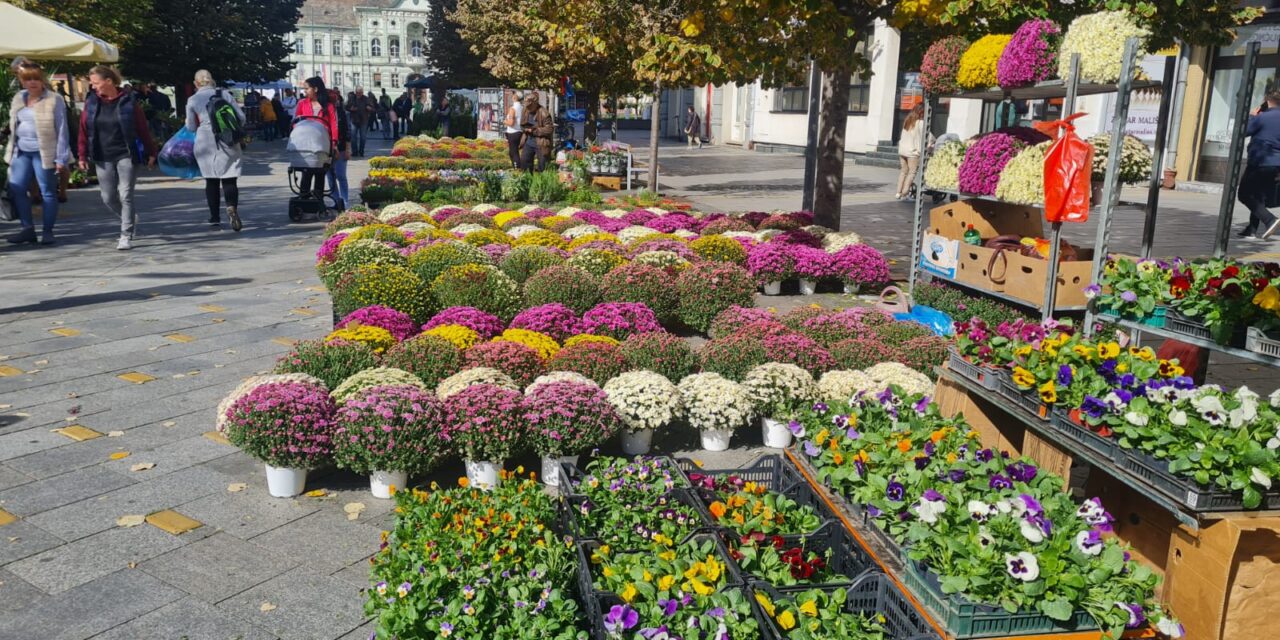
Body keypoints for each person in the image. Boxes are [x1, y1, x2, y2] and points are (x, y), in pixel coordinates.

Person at [78, 66, 157, 251]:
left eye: (96, 83)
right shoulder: (91, 102)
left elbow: (142, 129)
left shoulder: (128, 102)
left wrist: (152, 152)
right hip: (102, 155)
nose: (93, 86)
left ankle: (126, 234)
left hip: (125, 153)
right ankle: (128, 217)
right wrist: (81, 155)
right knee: (107, 197)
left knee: (126, 194)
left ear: (109, 81)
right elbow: (83, 130)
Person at [5, 60, 70, 245]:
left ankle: (47, 231)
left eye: (35, 79)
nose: (32, 82)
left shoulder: (53, 99)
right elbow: (14, 125)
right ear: (22, 81)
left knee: (48, 192)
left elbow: (62, 129)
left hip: (45, 152)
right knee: (17, 188)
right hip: (21, 151)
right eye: (27, 79)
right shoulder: (19, 97)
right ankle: (27, 229)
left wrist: (61, 157)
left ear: (42, 80)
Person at [185, 70, 247, 231]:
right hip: (228, 139)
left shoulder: (193, 99)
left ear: (196, 83)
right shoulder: (224, 94)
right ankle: (232, 207)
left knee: (211, 180)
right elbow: (241, 117)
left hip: (205, 141)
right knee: (230, 177)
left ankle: (214, 218)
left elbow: (191, 127)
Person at [1238, 90, 1280, 239]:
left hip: (1260, 161)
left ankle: (1270, 220)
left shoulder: (1263, 117)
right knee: (1258, 195)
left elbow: (1243, 131)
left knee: (1244, 194)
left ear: (1267, 101)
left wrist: (1251, 116)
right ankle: (1252, 229)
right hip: (1276, 164)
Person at [294, 76, 338, 201]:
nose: (305, 91)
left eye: (307, 89)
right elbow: (296, 120)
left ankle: (318, 200)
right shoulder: (302, 103)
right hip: (306, 143)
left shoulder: (328, 106)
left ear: (316, 89)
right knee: (306, 172)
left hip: (323, 143)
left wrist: (334, 143)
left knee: (320, 172)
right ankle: (304, 199)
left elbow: (334, 125)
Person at [896, 103, 932, 200]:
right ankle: (905, 193)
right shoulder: (921, 123)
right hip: (912, 152)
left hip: (902, 150)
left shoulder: (908, 120)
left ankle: (898, 192)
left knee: (903, 171)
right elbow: (929, 136)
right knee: (912, 173)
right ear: (922, 112)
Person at [327, 89, 352, 211]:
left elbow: (347, 131)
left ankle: (344, 201)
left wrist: (348, 149)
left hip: (341, 147)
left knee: (341, 175)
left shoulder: (341, 113)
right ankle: (336, 200)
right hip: (326, 149)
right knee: (330, 176)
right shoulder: (323, 112)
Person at [519, 93, 553, 172]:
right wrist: (525, 128)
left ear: (535, 103)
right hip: (528, 142)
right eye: (526, 105)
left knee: (542, 167)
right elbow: (522, 123)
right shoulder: (525, 110)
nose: (528, 108)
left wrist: (534, 131)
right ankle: (527, 182)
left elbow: (549, 129)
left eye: (530, 106)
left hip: (541, 143)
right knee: (525, 164)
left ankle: (542, 183)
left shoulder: (544, 113)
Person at [347, 87, 373, 156]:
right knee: (353, 137)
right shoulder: (352, 98)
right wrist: (351, 108)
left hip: (363, 120)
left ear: (362, 92)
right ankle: (354, 152)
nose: (358, 94)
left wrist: (369, 108)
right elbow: (346, 106)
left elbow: (372, 108)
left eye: (360, 92)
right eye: (357, 92)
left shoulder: (366, 99)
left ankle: (361, 151)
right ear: (355, 92)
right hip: (354, 120)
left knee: (363, 137)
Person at [504, 90, 524, 168]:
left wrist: (504, 121)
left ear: (515, 97)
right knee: (513, 151)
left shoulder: (512, 109)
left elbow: (511, 123)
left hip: (513, 132)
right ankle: (516, 168)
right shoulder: (522, 108)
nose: (512, 96)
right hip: (520, 131)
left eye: (513, 95)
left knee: (513, 152)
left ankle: (517, 169)